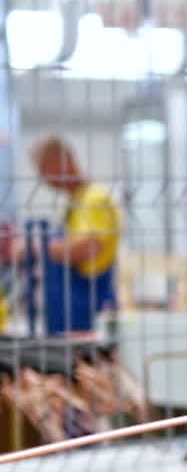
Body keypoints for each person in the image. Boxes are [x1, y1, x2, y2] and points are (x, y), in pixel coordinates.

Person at [27, 138, 122, 336]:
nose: (43, 179)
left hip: (88, 304)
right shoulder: (75, 202)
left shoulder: (93, 199)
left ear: (62, 162)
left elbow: (90, 248)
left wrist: (37, 246)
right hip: (69, 307)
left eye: (44, 169)